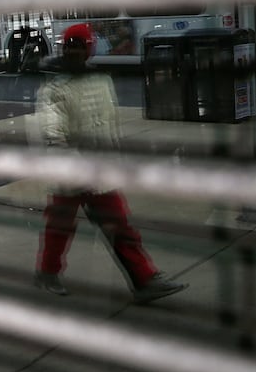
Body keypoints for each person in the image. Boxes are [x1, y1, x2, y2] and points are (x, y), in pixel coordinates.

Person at [34, 23, 187, 304]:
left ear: (89, 49)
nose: (75, 52)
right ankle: (47, 273)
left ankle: (145, 279)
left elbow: (110, 125)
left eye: (80, 46)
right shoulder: (54, 89)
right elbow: (53, 134)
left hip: (100, 172)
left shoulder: (101, 81)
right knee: (60, 227)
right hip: (71, 173)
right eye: (70, 46)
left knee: (119, 226)